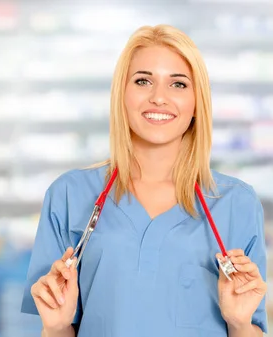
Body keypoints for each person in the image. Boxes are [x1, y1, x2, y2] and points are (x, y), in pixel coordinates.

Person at [21, 25, 268, 337]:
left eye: (178, 84)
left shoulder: (237, 204)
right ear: (122, 94)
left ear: (196, 102)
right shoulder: (68, 196)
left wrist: (239, 323)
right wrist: (56, 327)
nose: (159, 98)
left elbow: (251, 327)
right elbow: (51, 326)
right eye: (143, 81)